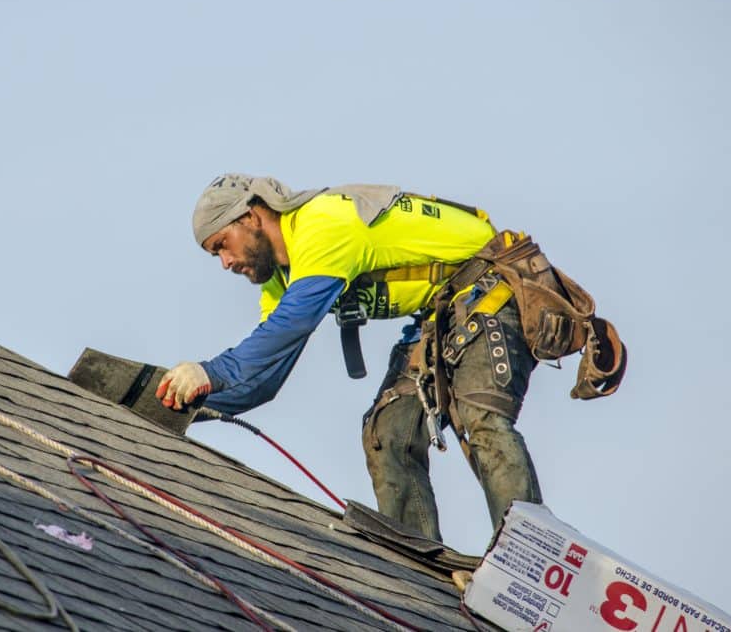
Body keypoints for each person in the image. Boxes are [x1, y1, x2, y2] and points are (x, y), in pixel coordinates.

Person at [155, 173, 549, 542]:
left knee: (483, 419)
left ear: (252, 216)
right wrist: (190, 406)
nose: (225, 263)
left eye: (222, 244)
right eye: (215, 256)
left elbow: (289, 327)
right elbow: (263, 378)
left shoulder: (321, 224)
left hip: (492, 290)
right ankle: (421, 571)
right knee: (388, 434)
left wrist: (210, 371)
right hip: (443, 314)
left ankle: (527, 556)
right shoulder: (281, 278)